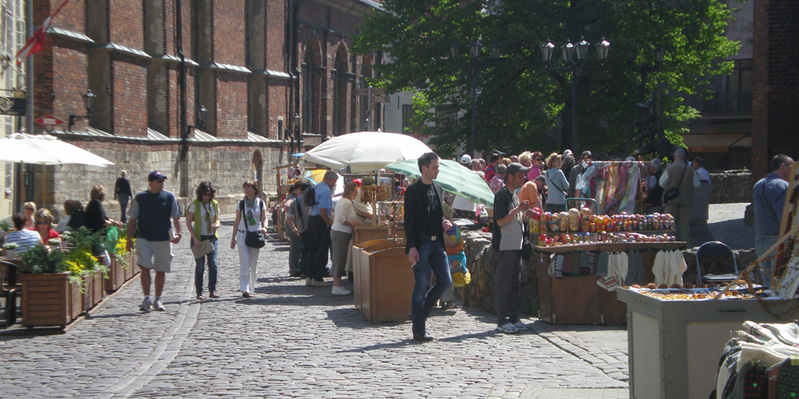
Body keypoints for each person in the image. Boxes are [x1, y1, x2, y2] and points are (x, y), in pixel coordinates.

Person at [404, 152, 452, 342]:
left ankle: (420, 315)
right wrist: (412, 247)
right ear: (424, 168)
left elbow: (437, 214)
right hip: (421, 244)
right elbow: (409, 222)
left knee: (445, 281)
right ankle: (419, 331)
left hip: (437, 243)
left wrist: (443, 222)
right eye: (435, 167)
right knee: (421, 286)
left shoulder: (437, 188)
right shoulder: (413, 191)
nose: (437, 170)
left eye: (438, 167)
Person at [126, 171, 182, 312]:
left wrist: (178, 234)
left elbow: (176, 217)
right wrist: (128, 239)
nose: (162, 183)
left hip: (163, 237)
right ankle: (146, 298)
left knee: (161, 269)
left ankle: (158, 298)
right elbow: (132, 219)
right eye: (159, 181)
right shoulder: (140, 198)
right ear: (150, 182)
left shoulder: (169, 197)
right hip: (144, 237)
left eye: (163, 181)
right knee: (145, 267)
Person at [493, 163, 531, 334]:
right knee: (504, 283)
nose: (523, 179)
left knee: (514, 283)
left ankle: (513, 317)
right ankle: (502, 320)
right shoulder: (502, 195)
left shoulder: (514, 194)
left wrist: (524, 214)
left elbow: (514, 217)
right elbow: (500, 221)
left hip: (515, 245)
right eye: (519, 176)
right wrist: (518, 210)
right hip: (505, 245)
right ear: (510, 177)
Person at [752, 154, 794, 287]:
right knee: (780, 281)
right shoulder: (783, 186)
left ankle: (765, 305)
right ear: (783, 167)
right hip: (777, 239)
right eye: (791, 167)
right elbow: (784, 218)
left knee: (767, 282)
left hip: (760, 238)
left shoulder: (758, 184)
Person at [230, 180, 267, 298]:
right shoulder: (241, 204)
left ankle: (251, 287)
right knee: (244, 262)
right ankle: (244, 289)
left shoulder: (260, 203)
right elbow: (236, 221)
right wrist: (233, 238)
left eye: (249, 187)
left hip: (255, 235)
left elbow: (264, 218)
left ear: (255, 189)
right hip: (242, 235)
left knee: (253, 264)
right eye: (245, 187)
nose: (246, 190)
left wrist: (265, 227)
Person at [186, 181, 220, 300]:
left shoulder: (214, 204)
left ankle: (212, 290)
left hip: (212, 237)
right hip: (199, 237)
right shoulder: (195, 204)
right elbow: (188, 222)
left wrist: (217, 224)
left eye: (209, 194)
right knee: (200, 266)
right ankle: (199, 292)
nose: (207, 197)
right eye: (205, 194)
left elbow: (217, 219)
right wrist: (195, 238)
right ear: (200, 194)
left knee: (213, 264)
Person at [659, 148, 699, 242]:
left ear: (674, 157)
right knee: (684, 225)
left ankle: (669, 245)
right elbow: (697, 185)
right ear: (685, 157)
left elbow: (661, 183)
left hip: (671, 200)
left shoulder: (670, 169)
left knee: (669, 224)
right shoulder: (690, 170)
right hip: (686, 200)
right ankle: (684, 246)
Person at [307, 171, 338, 287]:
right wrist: (327, 222)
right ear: (330, 179)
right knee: (321, 249)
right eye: (335, 181)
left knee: (312, 249)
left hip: (311, 219)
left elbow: (308, 205)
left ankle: (310, 276)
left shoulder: (315, 187)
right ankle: (317, 277)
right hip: (320, 221)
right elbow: (323, 209)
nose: (334, 184)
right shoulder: (325, 190)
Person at [330, 182, 360, 295]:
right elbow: (341, 219)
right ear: (351, 192)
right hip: (341, 232)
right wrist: (353, 223)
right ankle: (336, 286)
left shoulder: (343, 201)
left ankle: (337, 285)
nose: (356, 195)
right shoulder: (346, 203)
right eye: (356, 192)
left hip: (340, 232)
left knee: (339, 257)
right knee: (339, 258)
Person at [439, 219, 466, 310]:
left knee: (445, 273)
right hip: (444, 261)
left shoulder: (454, 230)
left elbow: (451, 244)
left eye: (447, 222)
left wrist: (442, 232)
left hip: (456, 262)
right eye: (443, 222)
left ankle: (450, 300)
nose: (445, 223)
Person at [284, 182, 306, 277]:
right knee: (295, 248)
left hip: (294, 225)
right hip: (292, 226)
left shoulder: (293, 197)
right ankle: (294, 269)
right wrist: (293, 214)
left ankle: (296, 267)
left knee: (297, 247)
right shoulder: (292, 198)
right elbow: (287, 206)